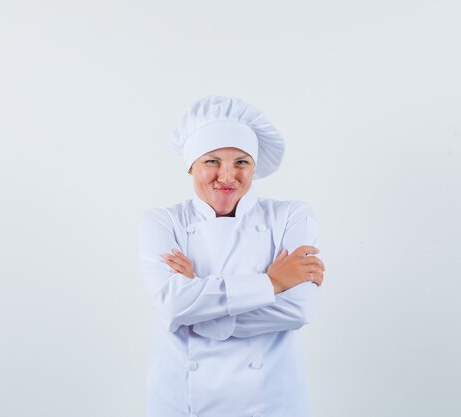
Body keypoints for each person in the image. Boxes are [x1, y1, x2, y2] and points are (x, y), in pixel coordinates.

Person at [137, 95, 325, 417]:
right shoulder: (163, 222)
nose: (227, 176)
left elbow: (298, 309)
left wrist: (197, 306)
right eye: (212, 161)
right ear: (190, 165)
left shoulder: (291, 216)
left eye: (241, 162)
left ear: (254, 167)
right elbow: (171, 303)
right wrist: (272, 282)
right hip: (181, 399)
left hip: (270, 401)